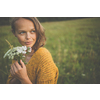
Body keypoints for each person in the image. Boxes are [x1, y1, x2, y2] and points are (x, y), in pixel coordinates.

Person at [6, 17, 59, 84]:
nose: (28, 37)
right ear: (14, 33)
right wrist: (17, 76)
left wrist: (23, 78)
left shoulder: (43, 56)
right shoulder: (17, 55)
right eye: (22, 32)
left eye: (33, 31)